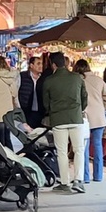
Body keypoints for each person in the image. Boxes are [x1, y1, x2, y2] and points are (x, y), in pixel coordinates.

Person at [42, 52, 88, 194]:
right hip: (75, 117)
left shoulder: (49, 81)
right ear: (66, 63)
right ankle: (78, 181)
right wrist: (79, 109)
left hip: (58, 119)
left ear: (53, 64)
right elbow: (84, 98)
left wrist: (52, 111)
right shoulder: (77, 78)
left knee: (61, 152)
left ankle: (64, 182)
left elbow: (46, 103)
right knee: (79, 149)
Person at [74, 59, 106, 184]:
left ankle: (85, 176)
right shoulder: (98, 80)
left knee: (83, 147)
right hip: (99, 117)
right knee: (97, 146)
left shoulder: (77, 81)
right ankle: (98, 175)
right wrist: (102, 109)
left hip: (83, 117)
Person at [18, 56, 47, 130]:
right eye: (38, 64)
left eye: (41, 64)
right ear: (31, 65)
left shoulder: (44, 78)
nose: (41, 66)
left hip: (40, 111)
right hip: (27, 111)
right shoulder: (23, 77)